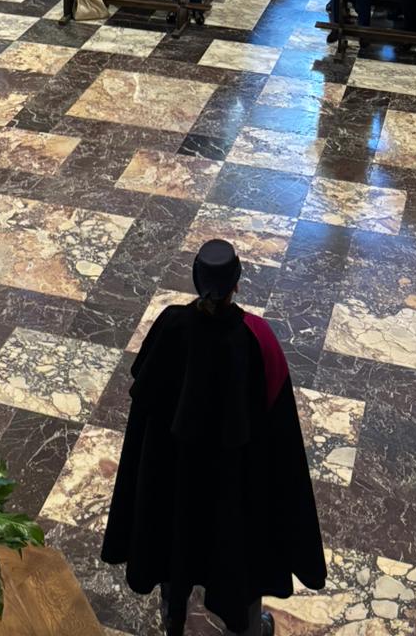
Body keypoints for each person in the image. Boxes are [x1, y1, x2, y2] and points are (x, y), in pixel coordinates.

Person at [102, 239, 325, 636]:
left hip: (174, 484)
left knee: (173, 538)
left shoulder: (169, 328)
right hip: (234, 489)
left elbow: (144, 426)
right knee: (240, 552)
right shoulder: (259, 339)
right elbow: (282, 436)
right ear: (237, 282)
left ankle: (174, 615)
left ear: (194, 279)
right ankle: (249, 626)